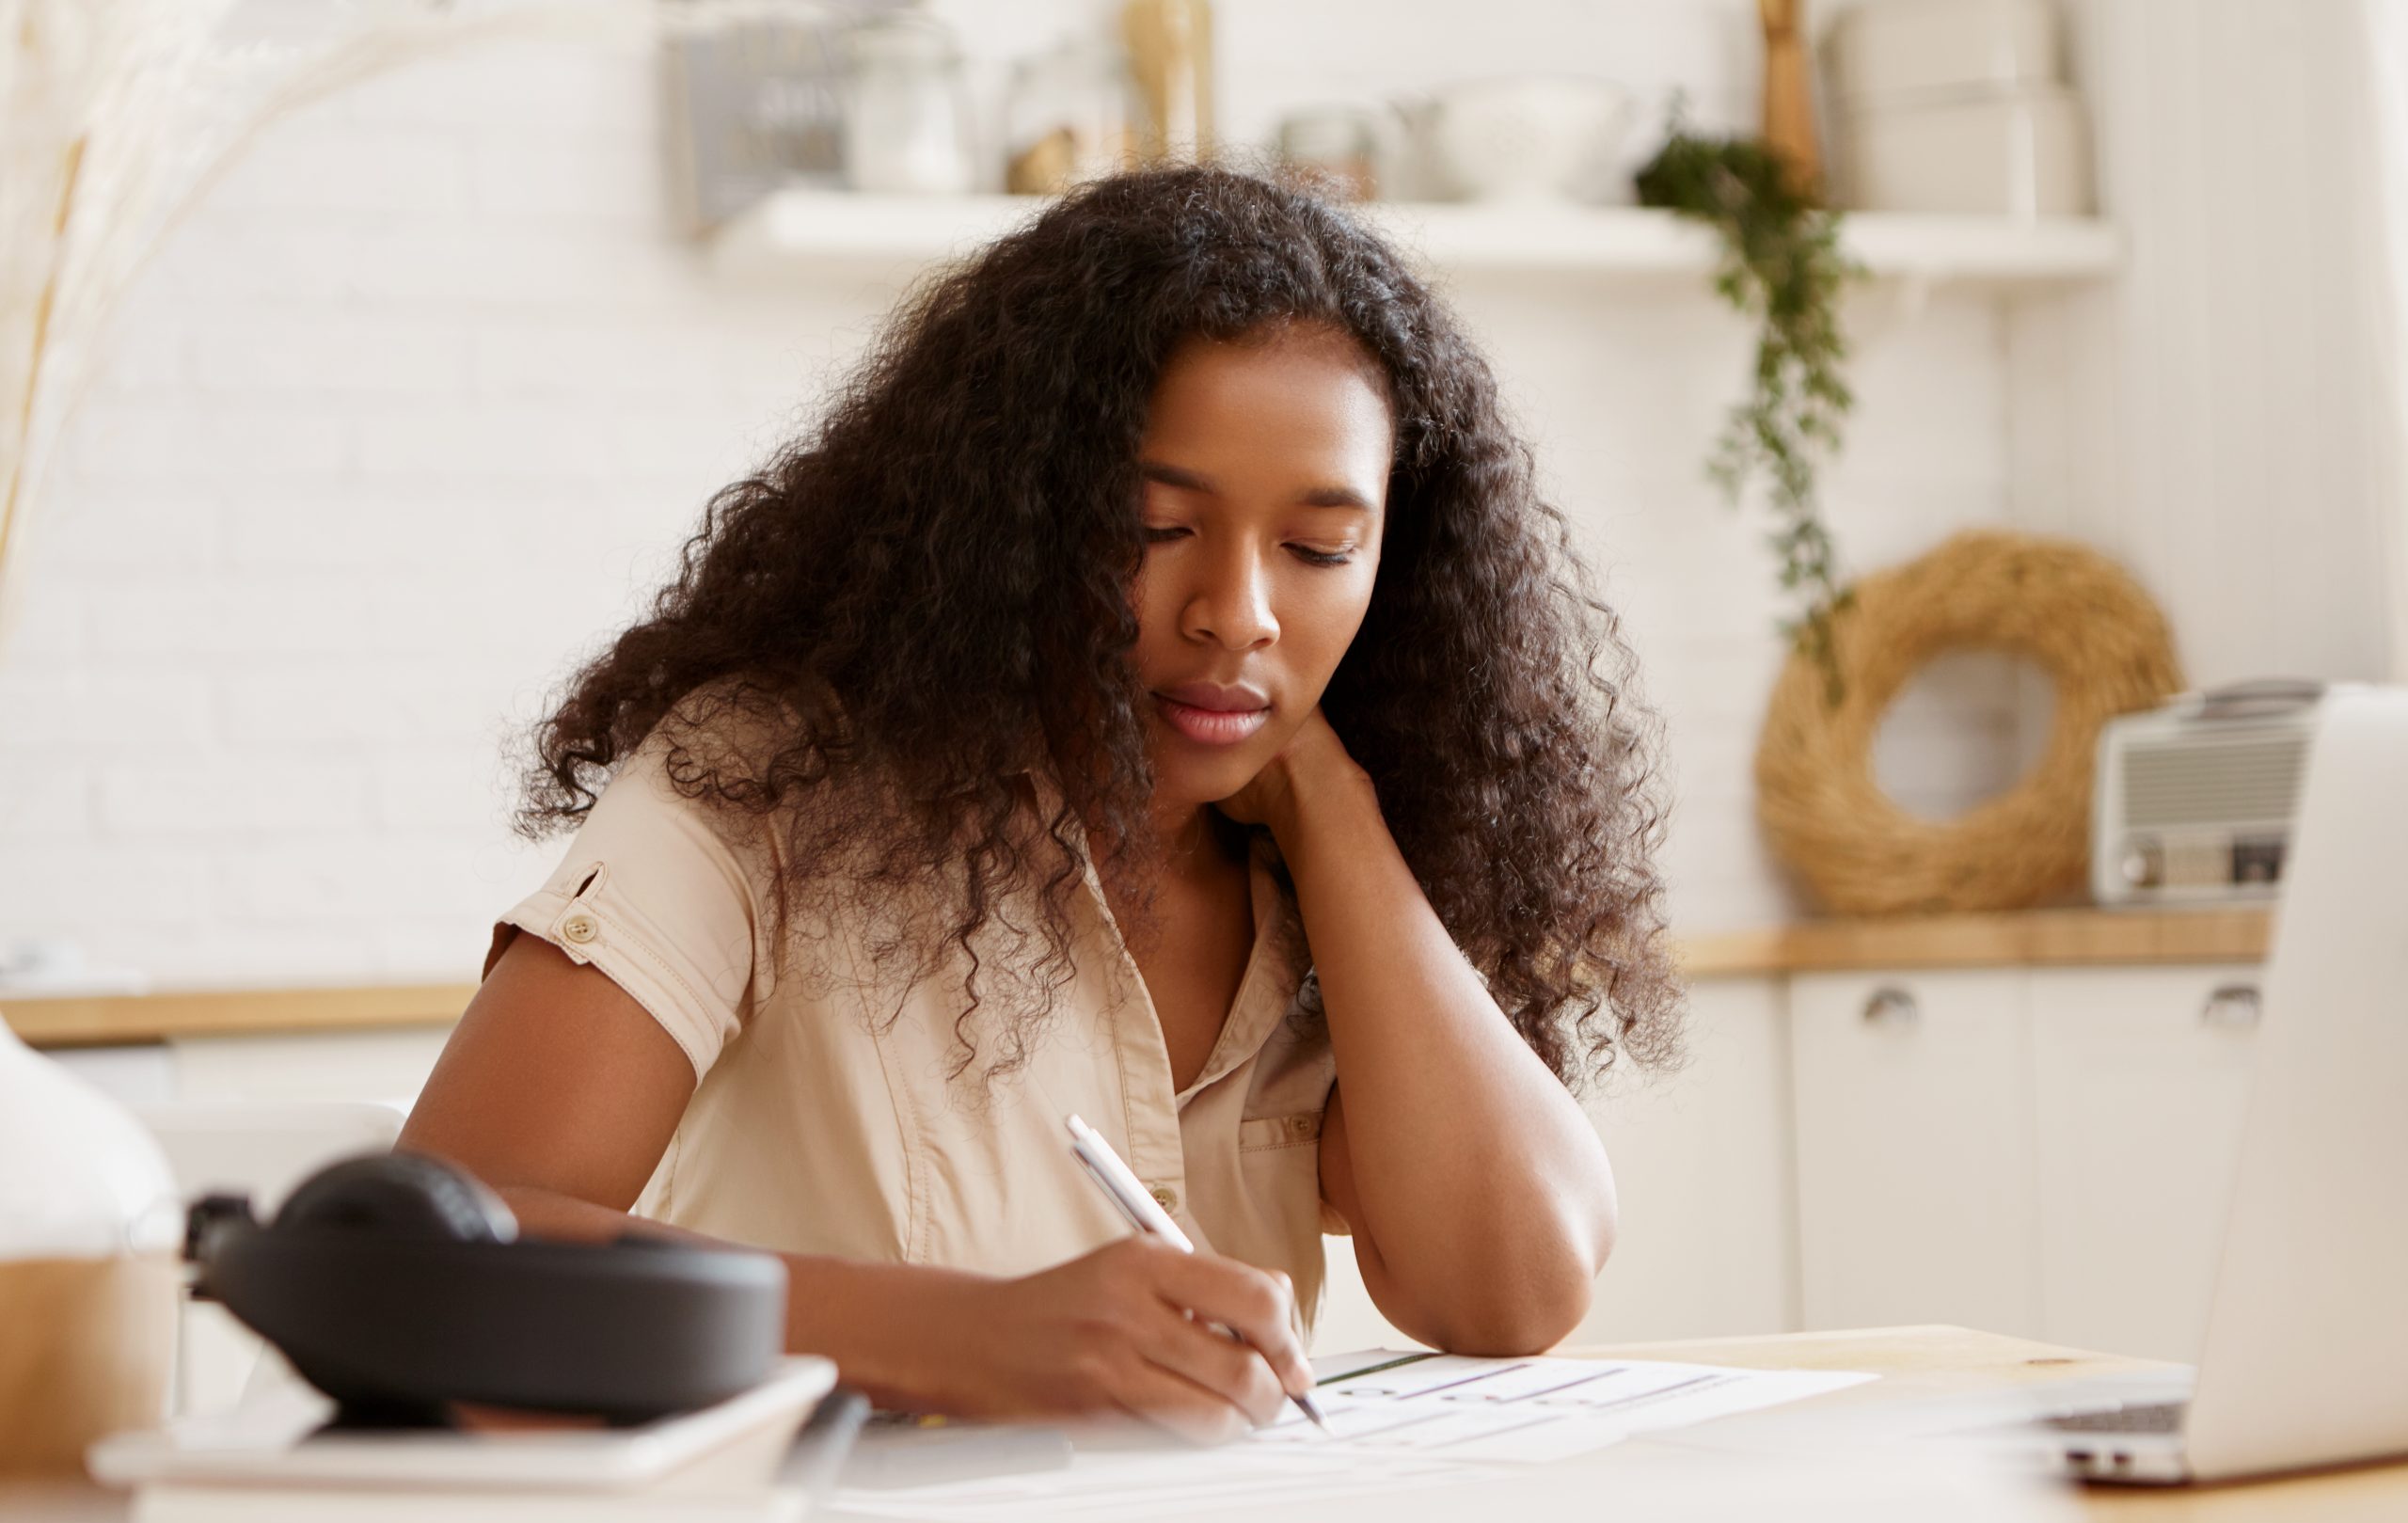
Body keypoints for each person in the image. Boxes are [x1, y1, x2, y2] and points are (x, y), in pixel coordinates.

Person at [398, 164, 1679, 1445]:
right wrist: (963, 1337)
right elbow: (433, 1255)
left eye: (1318, 550)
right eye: (1154, 525)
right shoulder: (765, 785)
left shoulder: (1310, 888)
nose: (1237, 614)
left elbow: (1512, 1288)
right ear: (1016, 522)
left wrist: (1328, 801)